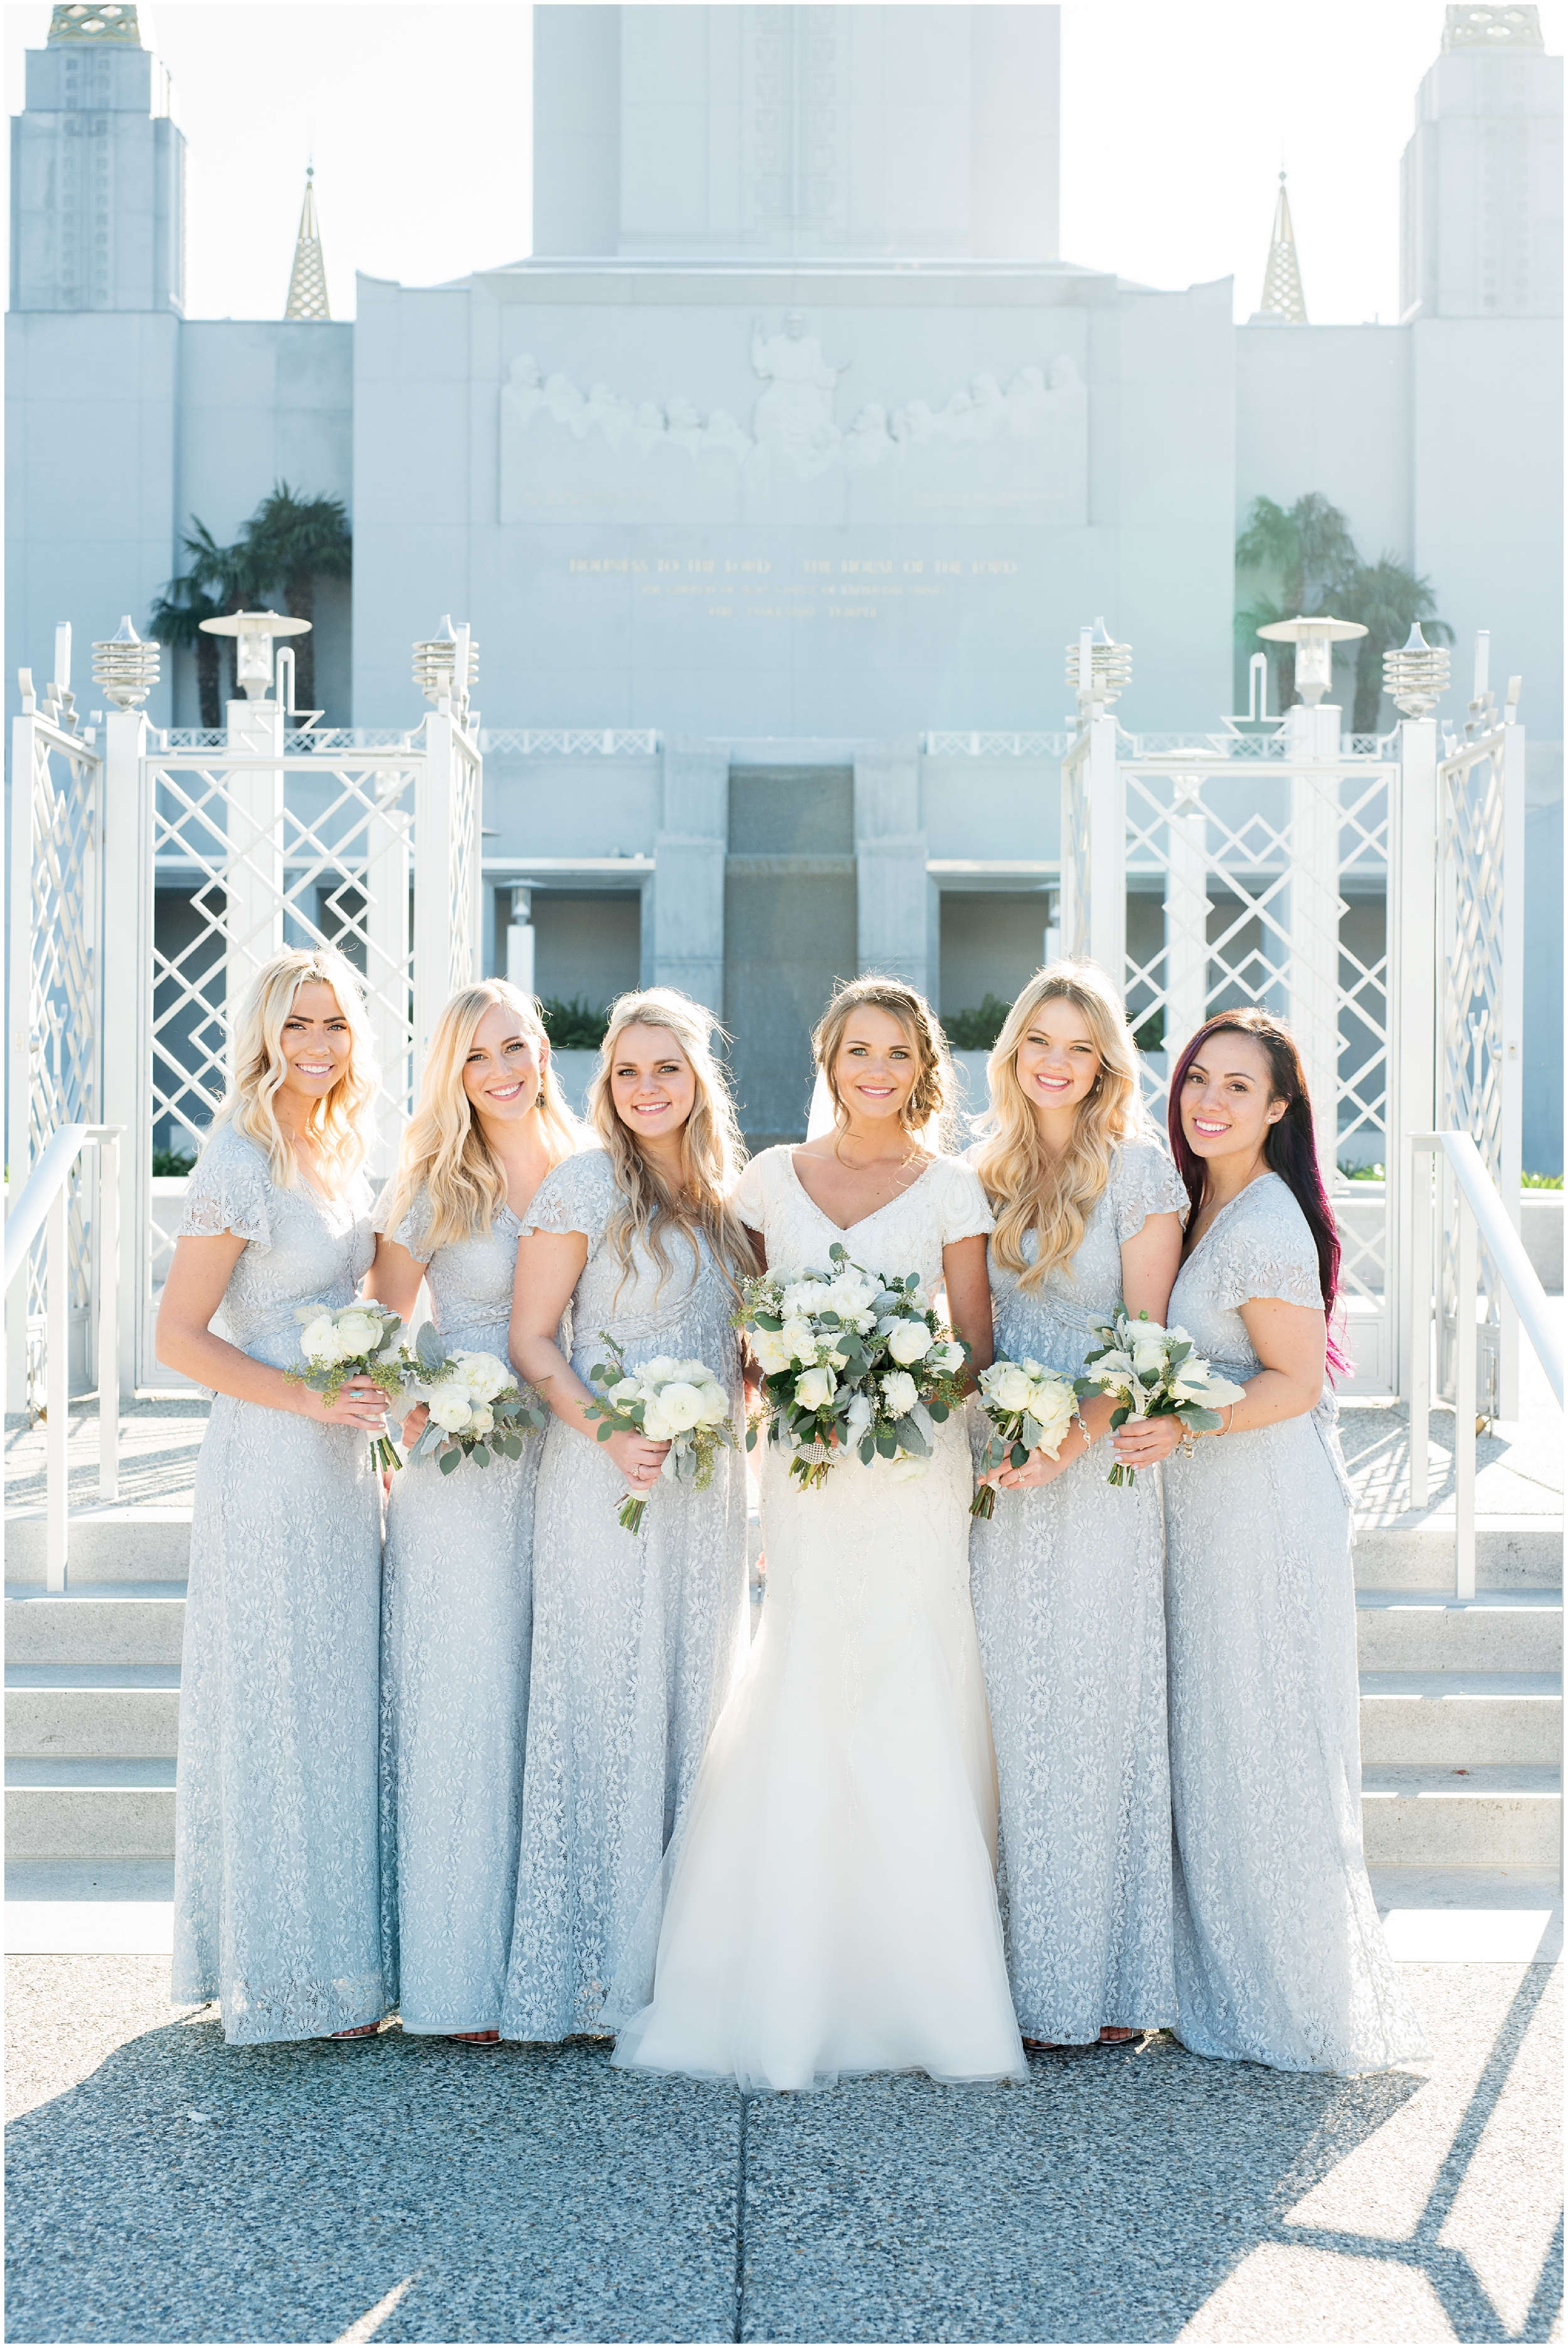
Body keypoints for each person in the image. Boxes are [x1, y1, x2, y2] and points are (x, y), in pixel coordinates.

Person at [612, 975, 1026, 2093]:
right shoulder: (768, 1178)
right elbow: (742, 1326)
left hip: (909, 1474)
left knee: (906, 1682)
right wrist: (798, 1382)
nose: (875, 1072)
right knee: (800, 1670)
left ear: (923, 1068)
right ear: (828, 1061)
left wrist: (889, 1388)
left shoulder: (951, 1190)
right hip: (801, 1475)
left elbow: (975, 1346)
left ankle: (923, 1989)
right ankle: (778, 1979)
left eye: (897, 1054)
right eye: (857, 1052)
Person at [1125, 1008, 1426, 2073]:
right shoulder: (1196, 1200)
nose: (1208, 1101)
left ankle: (1291, 1995)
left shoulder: (1265, 1223)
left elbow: (1296, 1385)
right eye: (1198, 1079)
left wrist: (1181, 1422)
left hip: (1263, 1509)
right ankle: (1215, 1974)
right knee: (1218, 1735)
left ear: (1281, 1108)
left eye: (1238, 1087)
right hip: (1206, 1510)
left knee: (1266, 1736)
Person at [500, 989, 755, 2043]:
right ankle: (590, 1975)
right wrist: (608, 1434)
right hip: (606, 1480)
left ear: (701, 1080)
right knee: (604, 1703)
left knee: (698, 1705)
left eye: (668, 1069)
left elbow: (744, 1350)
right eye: (628, 1071)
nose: (648, 1089)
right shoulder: (581, 1185)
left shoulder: (730, 1201)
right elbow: (531, 1341)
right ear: (605, 1084)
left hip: (708, 1490)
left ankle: (684, 1968)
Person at [158, 947, 390, 2045]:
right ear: (262, 1036)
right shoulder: (237, 1160)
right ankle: (280, 1974)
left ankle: (341, 1964)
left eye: (334, 1025)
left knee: (335, 1703)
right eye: (297, 1026)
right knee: (278, 1701)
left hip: (342, 1468)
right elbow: (179, 1339)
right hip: (267, 1457)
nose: (316, 1045)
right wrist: (304, 1399)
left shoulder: (343, 1152)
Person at [968, 962, 1187, 2051]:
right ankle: (1002, 1970)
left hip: (1096, 1476)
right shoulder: (983, 1170)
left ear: (1106, 1063)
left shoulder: (1141, 1174)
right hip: (998, 1477)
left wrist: (1071, 1435)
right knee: (1007, 1709)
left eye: (1079, 1045)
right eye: (1038, 1041)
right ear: (1014, 1054)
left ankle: (1096, 1984)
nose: (1057, 1062)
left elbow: (1149, 1337)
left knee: (1094, 1710)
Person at [366, 980, 580, 2046]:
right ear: (452, 1074)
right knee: (469, 1703)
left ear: (542, 1050)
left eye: (515, 1047)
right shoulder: (434, 1185)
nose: (501, 1071)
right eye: (475, 1057)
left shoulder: (593, 1164)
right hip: (466, 1471)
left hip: (572, 1460)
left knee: (549, 1703)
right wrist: (422, 1408)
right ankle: (455, 1981)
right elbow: (376, 1330)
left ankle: (551, 1965)